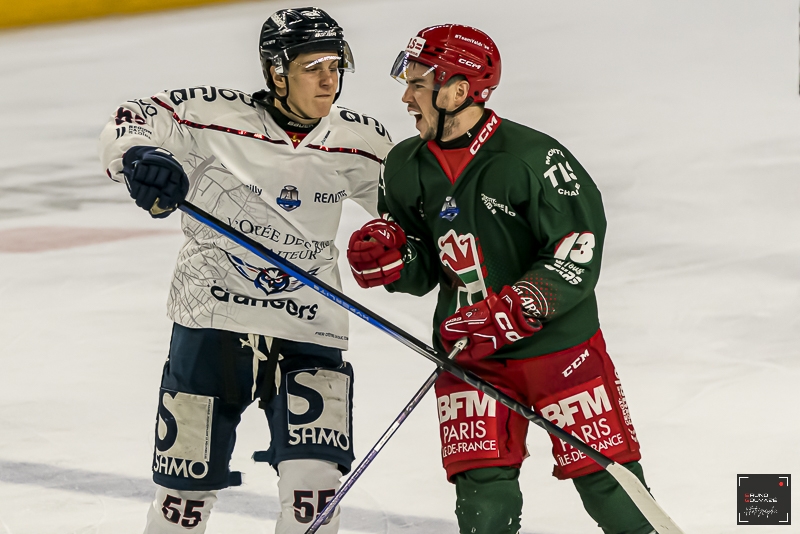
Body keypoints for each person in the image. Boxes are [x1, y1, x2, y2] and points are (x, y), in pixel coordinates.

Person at [347, 24, 656, 534]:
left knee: (608, 485)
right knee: (483, 502)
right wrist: (396, 262)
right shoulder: (403, 165)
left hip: (560, 350)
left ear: (459, 89)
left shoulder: (534, 158)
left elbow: (577, 245)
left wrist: (525, 301)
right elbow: (427, 263)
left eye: (419, 82)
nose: (406, 96)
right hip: (470, 352)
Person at [99, 7, 392, 533]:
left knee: (315, 494)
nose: (330, 79)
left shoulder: (360, 139)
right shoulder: (211, 117)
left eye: (335, 64)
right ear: (275, 71)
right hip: (210, 315)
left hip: (310, 321)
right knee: (182, 496)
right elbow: (134, 115)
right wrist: (139, 153)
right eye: (312, 66)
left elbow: (413, 214)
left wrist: (407, 248)